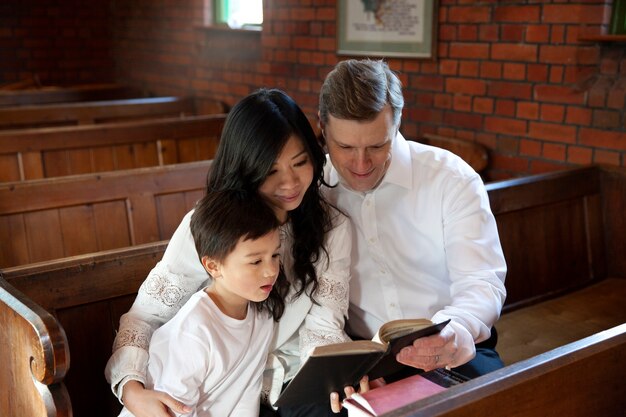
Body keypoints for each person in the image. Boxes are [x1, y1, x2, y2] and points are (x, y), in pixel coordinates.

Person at [105, 88, 353, 417]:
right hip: (213, 389)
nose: (290, 182)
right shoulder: (211, 228)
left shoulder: (332, 227)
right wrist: (132, 392)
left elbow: (324, 323)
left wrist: (331, 377)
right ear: (245, 170)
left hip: (293, 379)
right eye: (271, 171)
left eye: (300, 162)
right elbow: (145, 316)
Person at [317, 59, 507, 411]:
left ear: (397, 124)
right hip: (360, 356)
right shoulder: (314, 189)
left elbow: (482, 281)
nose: (360, 165)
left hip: (452, 343)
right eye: (345, 148)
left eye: (376, 146)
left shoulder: (451, 179)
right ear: (323, 131)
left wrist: (458, 328)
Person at [117, 188, 288, 417]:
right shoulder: (196, 327)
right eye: (256, 261)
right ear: (213, 266)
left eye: (275, 256)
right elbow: (175, 411)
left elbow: (246, 396)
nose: (270, 271)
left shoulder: (262, 317)